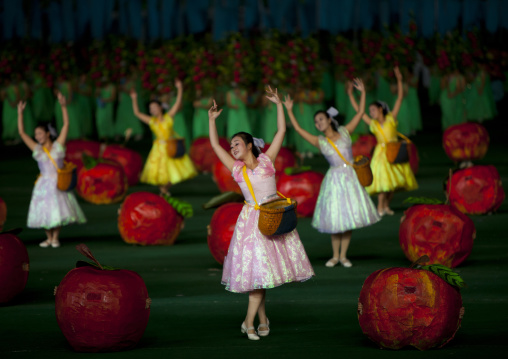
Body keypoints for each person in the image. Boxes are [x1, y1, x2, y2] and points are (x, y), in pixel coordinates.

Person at [208, 87, 314, 341]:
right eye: (231, 145)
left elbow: (281, 131)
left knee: (263, 274)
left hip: (273, 217)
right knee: (258, 276)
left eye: (236, 143)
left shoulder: (267, 160)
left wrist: (278, 104)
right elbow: (214, 144)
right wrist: (212, 121)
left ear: (248, 145)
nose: (232, 147)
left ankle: (260, 319)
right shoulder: (236, 169)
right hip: (251, 223)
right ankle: (250, 321)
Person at [284, 79, 380, 268]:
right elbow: (297, 129)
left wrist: (362, 93)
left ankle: (343, 255)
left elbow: (360, 113)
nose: (318, 123)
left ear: (329, 119)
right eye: (316, 122)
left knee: (348, 217)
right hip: (334, 180)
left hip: (350, 177)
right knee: (336, 218)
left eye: (320, 119)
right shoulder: (320, 141)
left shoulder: (345, 132)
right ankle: (335, 255)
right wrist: (289, 110)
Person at [17, 93, 86, 248]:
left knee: (57, 210)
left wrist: (63, 106)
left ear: (48, 133)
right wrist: (20, 114)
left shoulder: (58, 146)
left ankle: (55, 237)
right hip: (43, 183)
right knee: (44, 210)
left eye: (40, 133)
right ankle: (48, 237)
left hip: (58, 181)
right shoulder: (37, 149)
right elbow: (22, 133)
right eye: (35, 134)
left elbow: (66, 125)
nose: (37, 136)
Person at [348, 67, 418, 216]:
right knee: (383, 183)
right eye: (370, 111)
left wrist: (399, 80)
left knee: (392, 185)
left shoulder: (391, 119)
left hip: (395, 151)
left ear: (380, 109)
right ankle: (379, 207)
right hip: (381, 155)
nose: (371, 113)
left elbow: (399, 98)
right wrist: (352, 96)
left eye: (373, 110)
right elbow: (359, 112)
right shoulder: (373, 124)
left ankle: (386, 205)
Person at [130, 79, 197, 195]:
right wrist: (134, 99)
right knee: (158, 172)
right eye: (151, 109)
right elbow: (137, 113)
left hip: (170, 147)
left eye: (155, 107)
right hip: (158, 149)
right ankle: (163, 190)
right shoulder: (151, 121)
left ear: (160, 108)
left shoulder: (168, 117)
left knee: (173, 172)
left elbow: (176, 104)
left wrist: (180, 89)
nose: (153, 110)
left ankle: (165, 189)